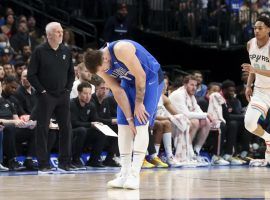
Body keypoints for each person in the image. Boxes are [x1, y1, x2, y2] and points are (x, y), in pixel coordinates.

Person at [84, 39, 164, 189]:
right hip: (128, 81)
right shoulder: (100, 64)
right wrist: (129, 118)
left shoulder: (122, 49)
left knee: (141, 122)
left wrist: (139, 103)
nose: (103, 71)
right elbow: (117, 90)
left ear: (106, 58)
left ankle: (134, 175)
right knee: (123, 125)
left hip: (150, 79)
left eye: (104, 68)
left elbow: (141, 76)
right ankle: (124, 173)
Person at [27, 22, 75, 172]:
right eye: (57, 32)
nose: (61, 34)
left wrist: (68, 89)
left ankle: (65, 162)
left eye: (61, 31)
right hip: (45, 96)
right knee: (42, 129)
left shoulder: (66, 51)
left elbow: (71, 74)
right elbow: (31, 74)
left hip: (63, 95)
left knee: (66, 128)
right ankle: (43, 163)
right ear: (49, 35)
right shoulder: (39, 51)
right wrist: (42, 91)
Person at [241, 16, 270, 166]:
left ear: (268, 29)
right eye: (255, 28)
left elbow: (254, 68)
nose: (257, 30)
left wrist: (254, 69)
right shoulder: (250, 44)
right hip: (260, 91)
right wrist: (248, 86)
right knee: (249, 124)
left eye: (260, 28)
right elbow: (253, 68)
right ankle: (268, 138)